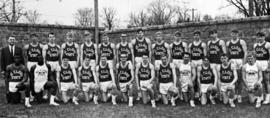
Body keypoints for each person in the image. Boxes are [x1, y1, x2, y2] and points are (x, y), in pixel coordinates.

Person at [226, 29, 247, 103]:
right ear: (231, 34)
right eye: (232, 33)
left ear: (237, 34)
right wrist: (228, 61)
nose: (234, 35)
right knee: (233, 79)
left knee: (239, 80)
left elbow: (245, 53)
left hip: (239, 60)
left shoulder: (241, 42)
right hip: (232, 61)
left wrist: (244, 63)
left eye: (235, 33)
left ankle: (239, 95)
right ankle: (234, 94)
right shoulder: (228, 43)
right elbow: (227, 54)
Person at [42, 33, 61, 99]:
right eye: (50, 37)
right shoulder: (46, 46)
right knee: (47, 78)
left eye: (53, 37)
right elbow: (44, 57)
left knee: (57, 78)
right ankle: (46, 94)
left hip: (56, 62)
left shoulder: (58, 47)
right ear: (48, 38)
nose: (51, 38)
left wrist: (59, 64)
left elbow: (59, 57)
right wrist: (44, 65)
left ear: (54, 38)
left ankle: (56, 94)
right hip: (49, 62)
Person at [189, 30, 207, 98]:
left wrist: (203, 62)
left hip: (200, 61)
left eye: (197, 35)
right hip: (193, 61)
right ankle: (195, 92)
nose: (196, 36)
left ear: (199, 36)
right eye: (195, 35)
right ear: (193, 36)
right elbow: (190, 55)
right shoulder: (191, 45)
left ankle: (201, 91)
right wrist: (190, 62)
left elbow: (205, 55)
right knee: (194, 77)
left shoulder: (202, 44)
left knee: (200, 77)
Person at [253, 32, 270, 104]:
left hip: (265, 62)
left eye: (261, 37)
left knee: (266, 81)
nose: (260, 38)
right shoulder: (255, 45)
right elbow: (254, 56)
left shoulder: (267, 44)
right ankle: (260, 96)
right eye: (258, 37)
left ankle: (268, 97)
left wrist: (269, 67)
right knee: (259, 81)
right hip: (257, 63)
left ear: (264, 37)